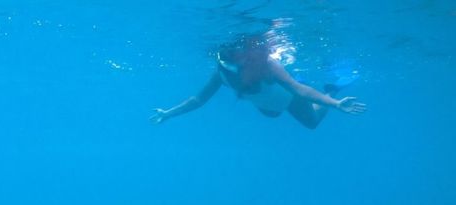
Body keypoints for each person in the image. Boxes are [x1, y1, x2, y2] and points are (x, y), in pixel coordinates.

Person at [151, 34, 366, 129]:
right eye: (225, 54)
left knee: (312, 123)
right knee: (271, 114)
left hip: (289, 98)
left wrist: (335, 105)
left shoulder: (268, 65)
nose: (231, 57)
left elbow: (298, 89)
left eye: (235, 52)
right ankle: (328, 94)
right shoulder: (221, 72)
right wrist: (169, 113)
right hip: (267, 104)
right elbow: (198, 100)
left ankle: (331, 90)